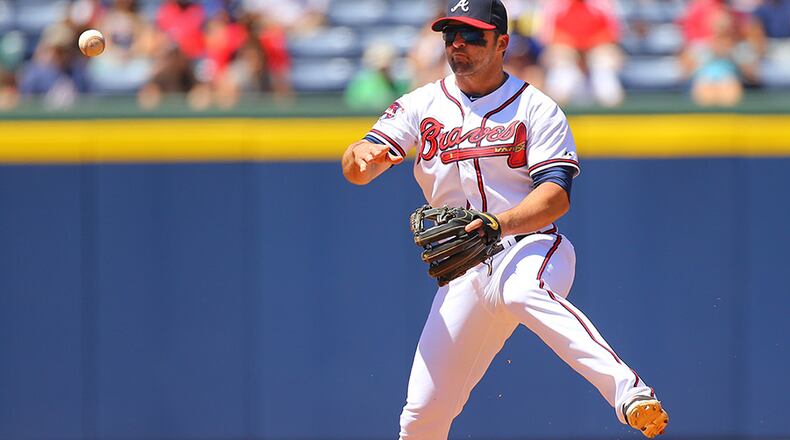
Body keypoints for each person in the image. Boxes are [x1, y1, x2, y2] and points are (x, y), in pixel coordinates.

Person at [340, 0, 670, 439]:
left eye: (472, 35)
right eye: (451, 35)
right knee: (421, 416)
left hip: (530, 246)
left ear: (501, 43)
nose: (458, 44)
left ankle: (630, 393)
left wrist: (499, 224)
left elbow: (555, 196)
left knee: (520, 290)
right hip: (464, 271)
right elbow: (358, 168)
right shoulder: (421, 104)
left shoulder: (536, 108)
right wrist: (359, 156)